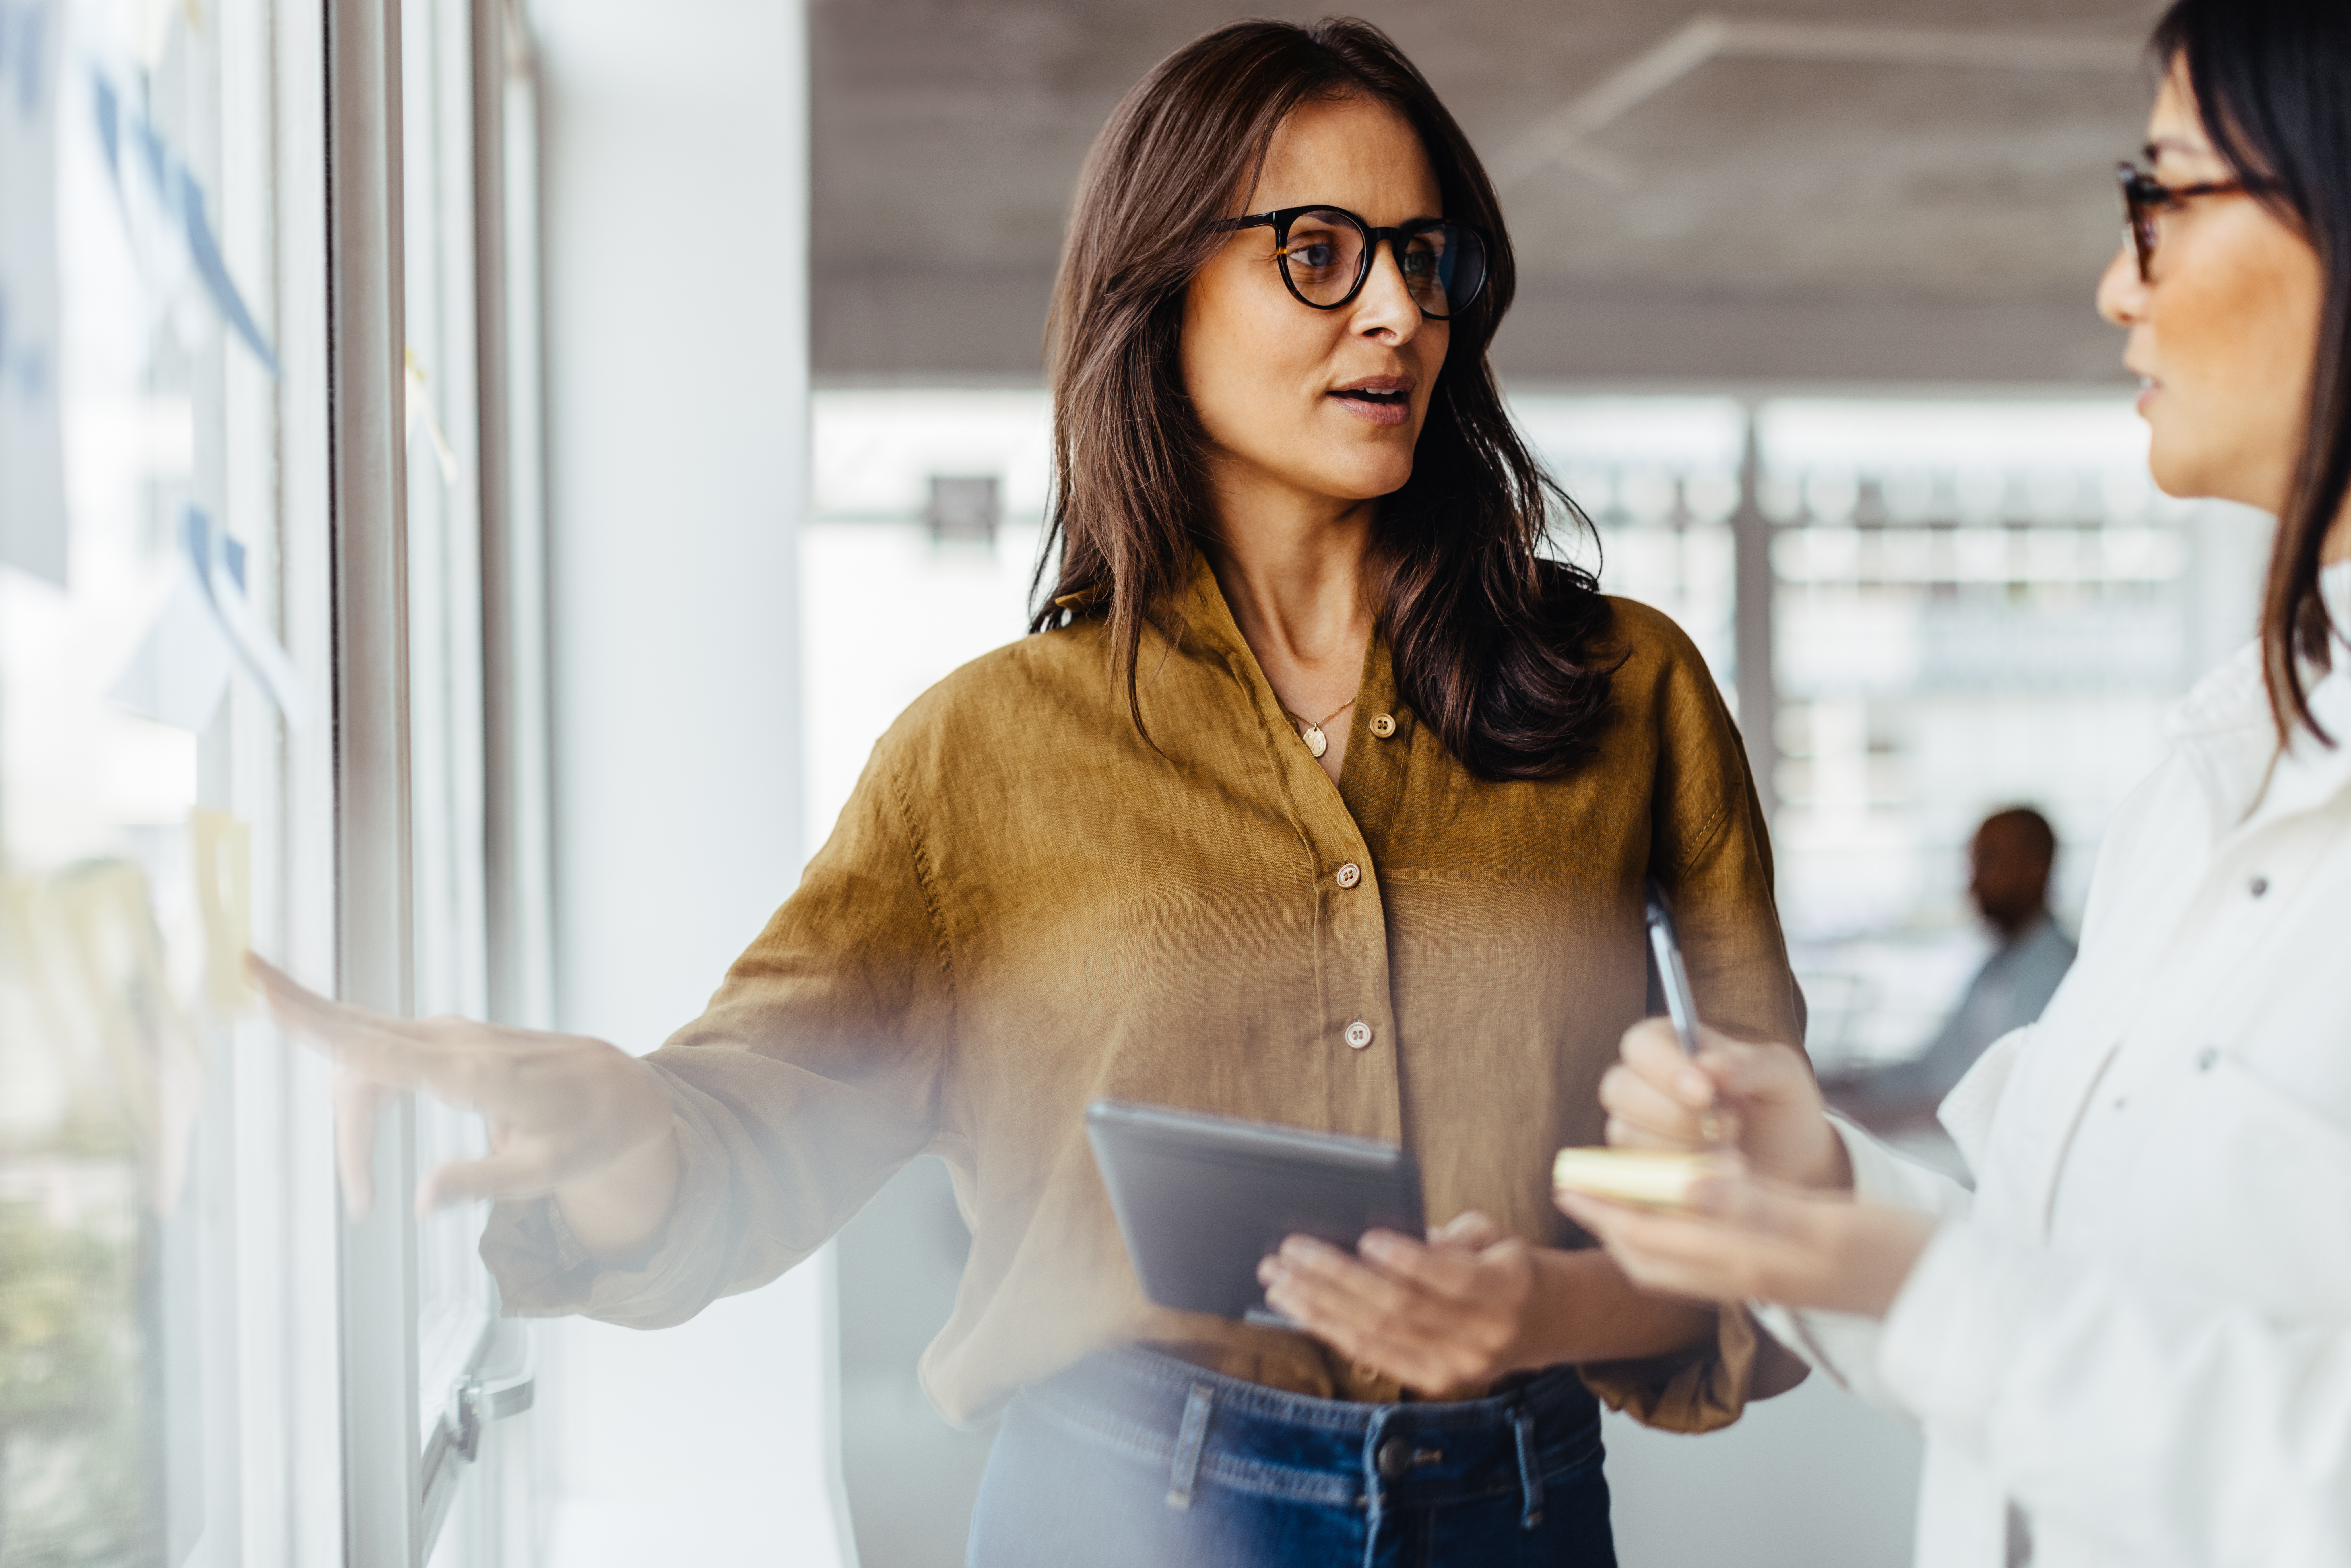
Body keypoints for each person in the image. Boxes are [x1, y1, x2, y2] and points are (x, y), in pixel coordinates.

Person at [252, 18, 1807, 1566]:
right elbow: (754, 1133)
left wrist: (1547, 1301)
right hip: (1125, 1506)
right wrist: (620, 1128)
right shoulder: (983, 752)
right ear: (1161, 287)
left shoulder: (1631, 687)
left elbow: (1788, 1202)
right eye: (1320, 253)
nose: (1398, 309)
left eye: (1427, 255)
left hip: (1519, 1508)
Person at [1562, 3, 2351, 1564]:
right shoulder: (2218, 774)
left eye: (2165, 199)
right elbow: (2068, 1301)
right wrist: (1817, 1183)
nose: (2117, 282)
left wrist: (1927, 1293)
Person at [1826, 808, 2076, 1128]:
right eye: (1972, 866)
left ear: (2036, 867)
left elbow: (2004, 1098)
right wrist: (1846, 1086)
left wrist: (1880, 1112)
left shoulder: (2059, 974)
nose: (1972, 886)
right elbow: (1931, 1070)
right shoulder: (1995, 968)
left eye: (1988, 864)